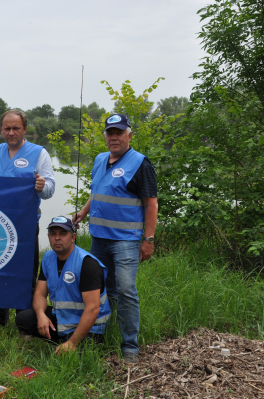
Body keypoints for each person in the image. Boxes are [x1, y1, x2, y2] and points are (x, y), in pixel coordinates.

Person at [72, 113, 158, 364]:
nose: (114, 137)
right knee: (99, 290)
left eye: (119, 132)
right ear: (105, 136)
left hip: (125, 241)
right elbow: (97, 191)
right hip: (98, 238)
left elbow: (151, 204)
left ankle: (130, 345)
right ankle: (99, 334)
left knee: (125, 289)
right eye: (110, 133)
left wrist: (148, 240)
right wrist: (83, 212)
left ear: (129, 135)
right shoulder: (99, 159)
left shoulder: (140, 163)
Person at [0, 109, 55, 332]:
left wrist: (42, 187)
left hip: (24, 223)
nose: (11, 132)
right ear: (1, 129)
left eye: (16, 128)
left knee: (24, 272)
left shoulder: (39, 153)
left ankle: (24, 322)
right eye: (7, 128)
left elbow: (50, 188)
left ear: (25, 129)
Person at [15, 216, 111, 353]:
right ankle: (63, 340)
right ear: (48, 237)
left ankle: (70, 342)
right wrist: (41, 315)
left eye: (63, 234)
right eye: (53, 234)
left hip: (91, 327)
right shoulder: (48, 258)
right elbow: (40, 294)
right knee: (23, 319)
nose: (57, 238)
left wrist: (72, 342)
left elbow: (93, 309)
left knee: (78, 358)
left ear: (73, 237)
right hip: (63, 319)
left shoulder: (87, 264)